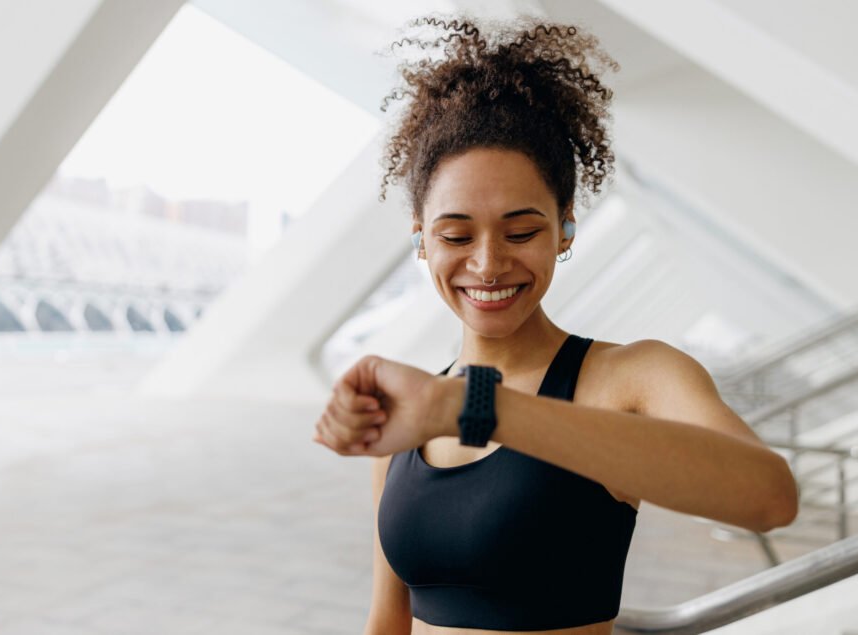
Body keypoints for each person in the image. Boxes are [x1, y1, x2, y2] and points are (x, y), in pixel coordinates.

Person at [310, 13, 799, 635]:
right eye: (456, 234)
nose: (488, 264)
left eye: (522, 231)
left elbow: (769, 496)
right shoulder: (416, 417)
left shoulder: (630, 378)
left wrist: (470, 406)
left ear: (565, 228)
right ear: (422, 240)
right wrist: (442, 405)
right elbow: (387, 621)